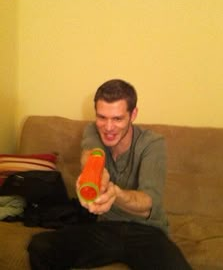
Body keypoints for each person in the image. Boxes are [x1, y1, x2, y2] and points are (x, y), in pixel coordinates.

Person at [28, 79, 192, 270]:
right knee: (41, 246)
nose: (108, 127)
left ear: (133, 115)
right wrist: (96, 174)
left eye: (117, 119)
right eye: (102, 117)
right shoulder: (93, 130)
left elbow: (148, 203)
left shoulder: (152, 143)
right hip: (106, 227)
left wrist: (115, 193)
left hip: (147, 231)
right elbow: (91, 154)